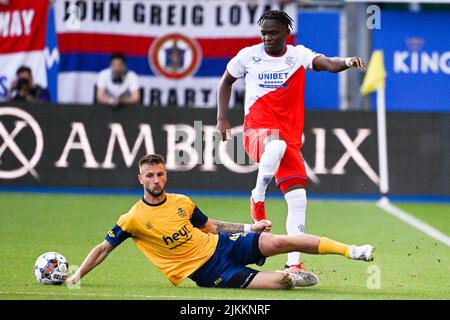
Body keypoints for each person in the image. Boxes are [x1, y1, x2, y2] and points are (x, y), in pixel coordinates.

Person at [65, 154, 375, 289]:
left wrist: (248, 228)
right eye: (150, 175)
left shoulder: (182, 202)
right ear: (140, 179)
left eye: (160, 174)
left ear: (165, 175)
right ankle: (290, 278)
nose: (156, 179)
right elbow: (103, 248)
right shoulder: (132, 218)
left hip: (223, 244)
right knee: (280, 282)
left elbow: (211, 226)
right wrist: (77, 274)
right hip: (209, 272)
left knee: (280, 241)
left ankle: (352, 251)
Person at [216, 10, 367, 274]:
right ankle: (258, 196)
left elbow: (329, 64)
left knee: (298, 199)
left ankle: (293, 265)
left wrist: (347, 61)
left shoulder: (297, 55)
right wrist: (222, 118)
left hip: (290, 139)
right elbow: (226, 81)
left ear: (287, 31)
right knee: (275, 145)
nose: (267, 38)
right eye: (264, 32)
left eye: (273, 32)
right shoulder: (248, 56)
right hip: (257, 132)